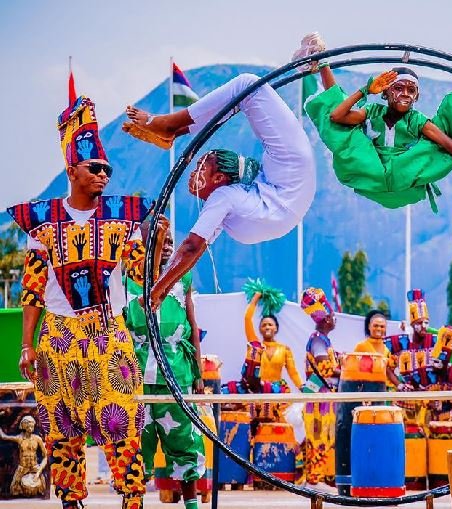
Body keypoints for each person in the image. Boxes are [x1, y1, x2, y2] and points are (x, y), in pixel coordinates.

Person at [9, 95, 152, 509]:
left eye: (108, 169)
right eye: (95, 168)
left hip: (109, 332)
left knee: (121, 422)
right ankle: (71, 501)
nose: (104, 174)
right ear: (72, 171)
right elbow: (32, 290)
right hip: (57, 334)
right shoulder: (43, 223)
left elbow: (143, 276)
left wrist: (156, 241)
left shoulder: (125, 220)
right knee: (59, 428)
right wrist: (26, 344)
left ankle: (132, 499)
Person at [121, 74, 316, 309]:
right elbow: (193, 247)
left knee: (243, 94)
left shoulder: (231, 202)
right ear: (219, 178)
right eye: (200, 166)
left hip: (287, 200)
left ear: (220, 178)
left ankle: (171, 127)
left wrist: (159, 290)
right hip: (293, 173)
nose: (192, 173)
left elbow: (194, 248)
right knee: (246, 85)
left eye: (199, 167)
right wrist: (158, 290)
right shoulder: (229, 196)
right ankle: (171, 126)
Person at [292, 32, 452, 211]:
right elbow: (336, 117)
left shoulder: (416, 120)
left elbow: (449, 143)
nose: (405, 94)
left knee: (445, 137)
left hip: (405, 178)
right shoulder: (373, 111)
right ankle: (321, 61)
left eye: (410, 90)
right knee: (342, 126)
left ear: (416, 96)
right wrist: (365, 90)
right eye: (398, 88)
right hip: (370, 173)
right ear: (386, 93)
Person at [123, 219, 206, 509]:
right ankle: (134, 502)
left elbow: (193, 326)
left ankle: (192, 505)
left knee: (185, 442)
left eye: (170, 239)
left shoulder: (182, 277)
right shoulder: (126, 280)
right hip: (136, 377)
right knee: (136, 448)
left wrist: (199, 374)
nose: (168, 243)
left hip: (177, 374)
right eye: (159, 238)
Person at [240, 281, 303, 423]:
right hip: (257, 393)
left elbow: (293, 372)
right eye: (263, 325)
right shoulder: (256, 345)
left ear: (276, 328)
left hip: (276, 394)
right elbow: (247, 318)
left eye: (270, 324)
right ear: (260, 329)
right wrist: (256, 297)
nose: (267, 327)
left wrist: (302, 387)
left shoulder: (284, 349)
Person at [300, 288, 340, 486]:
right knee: (319, 437)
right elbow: (325, 368)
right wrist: (347, 369)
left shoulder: (324, 339)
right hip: (318, 399)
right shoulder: (317, 339)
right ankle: (315, 480)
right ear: (326, 319)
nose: (334, 319)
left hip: (323, 397)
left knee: (325, 436)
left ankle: (321, 477)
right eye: (332, 316)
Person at [0, 416, 47, 497]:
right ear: (24, 427)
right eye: (28, 426)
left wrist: (39, 471)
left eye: (32, 426)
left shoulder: (37, 439)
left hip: (35, 466)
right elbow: (4, 437)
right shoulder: (20, 438)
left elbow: (45, 456)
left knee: (43, 488)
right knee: (13, 488)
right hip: (22, 467)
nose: (31, 428)